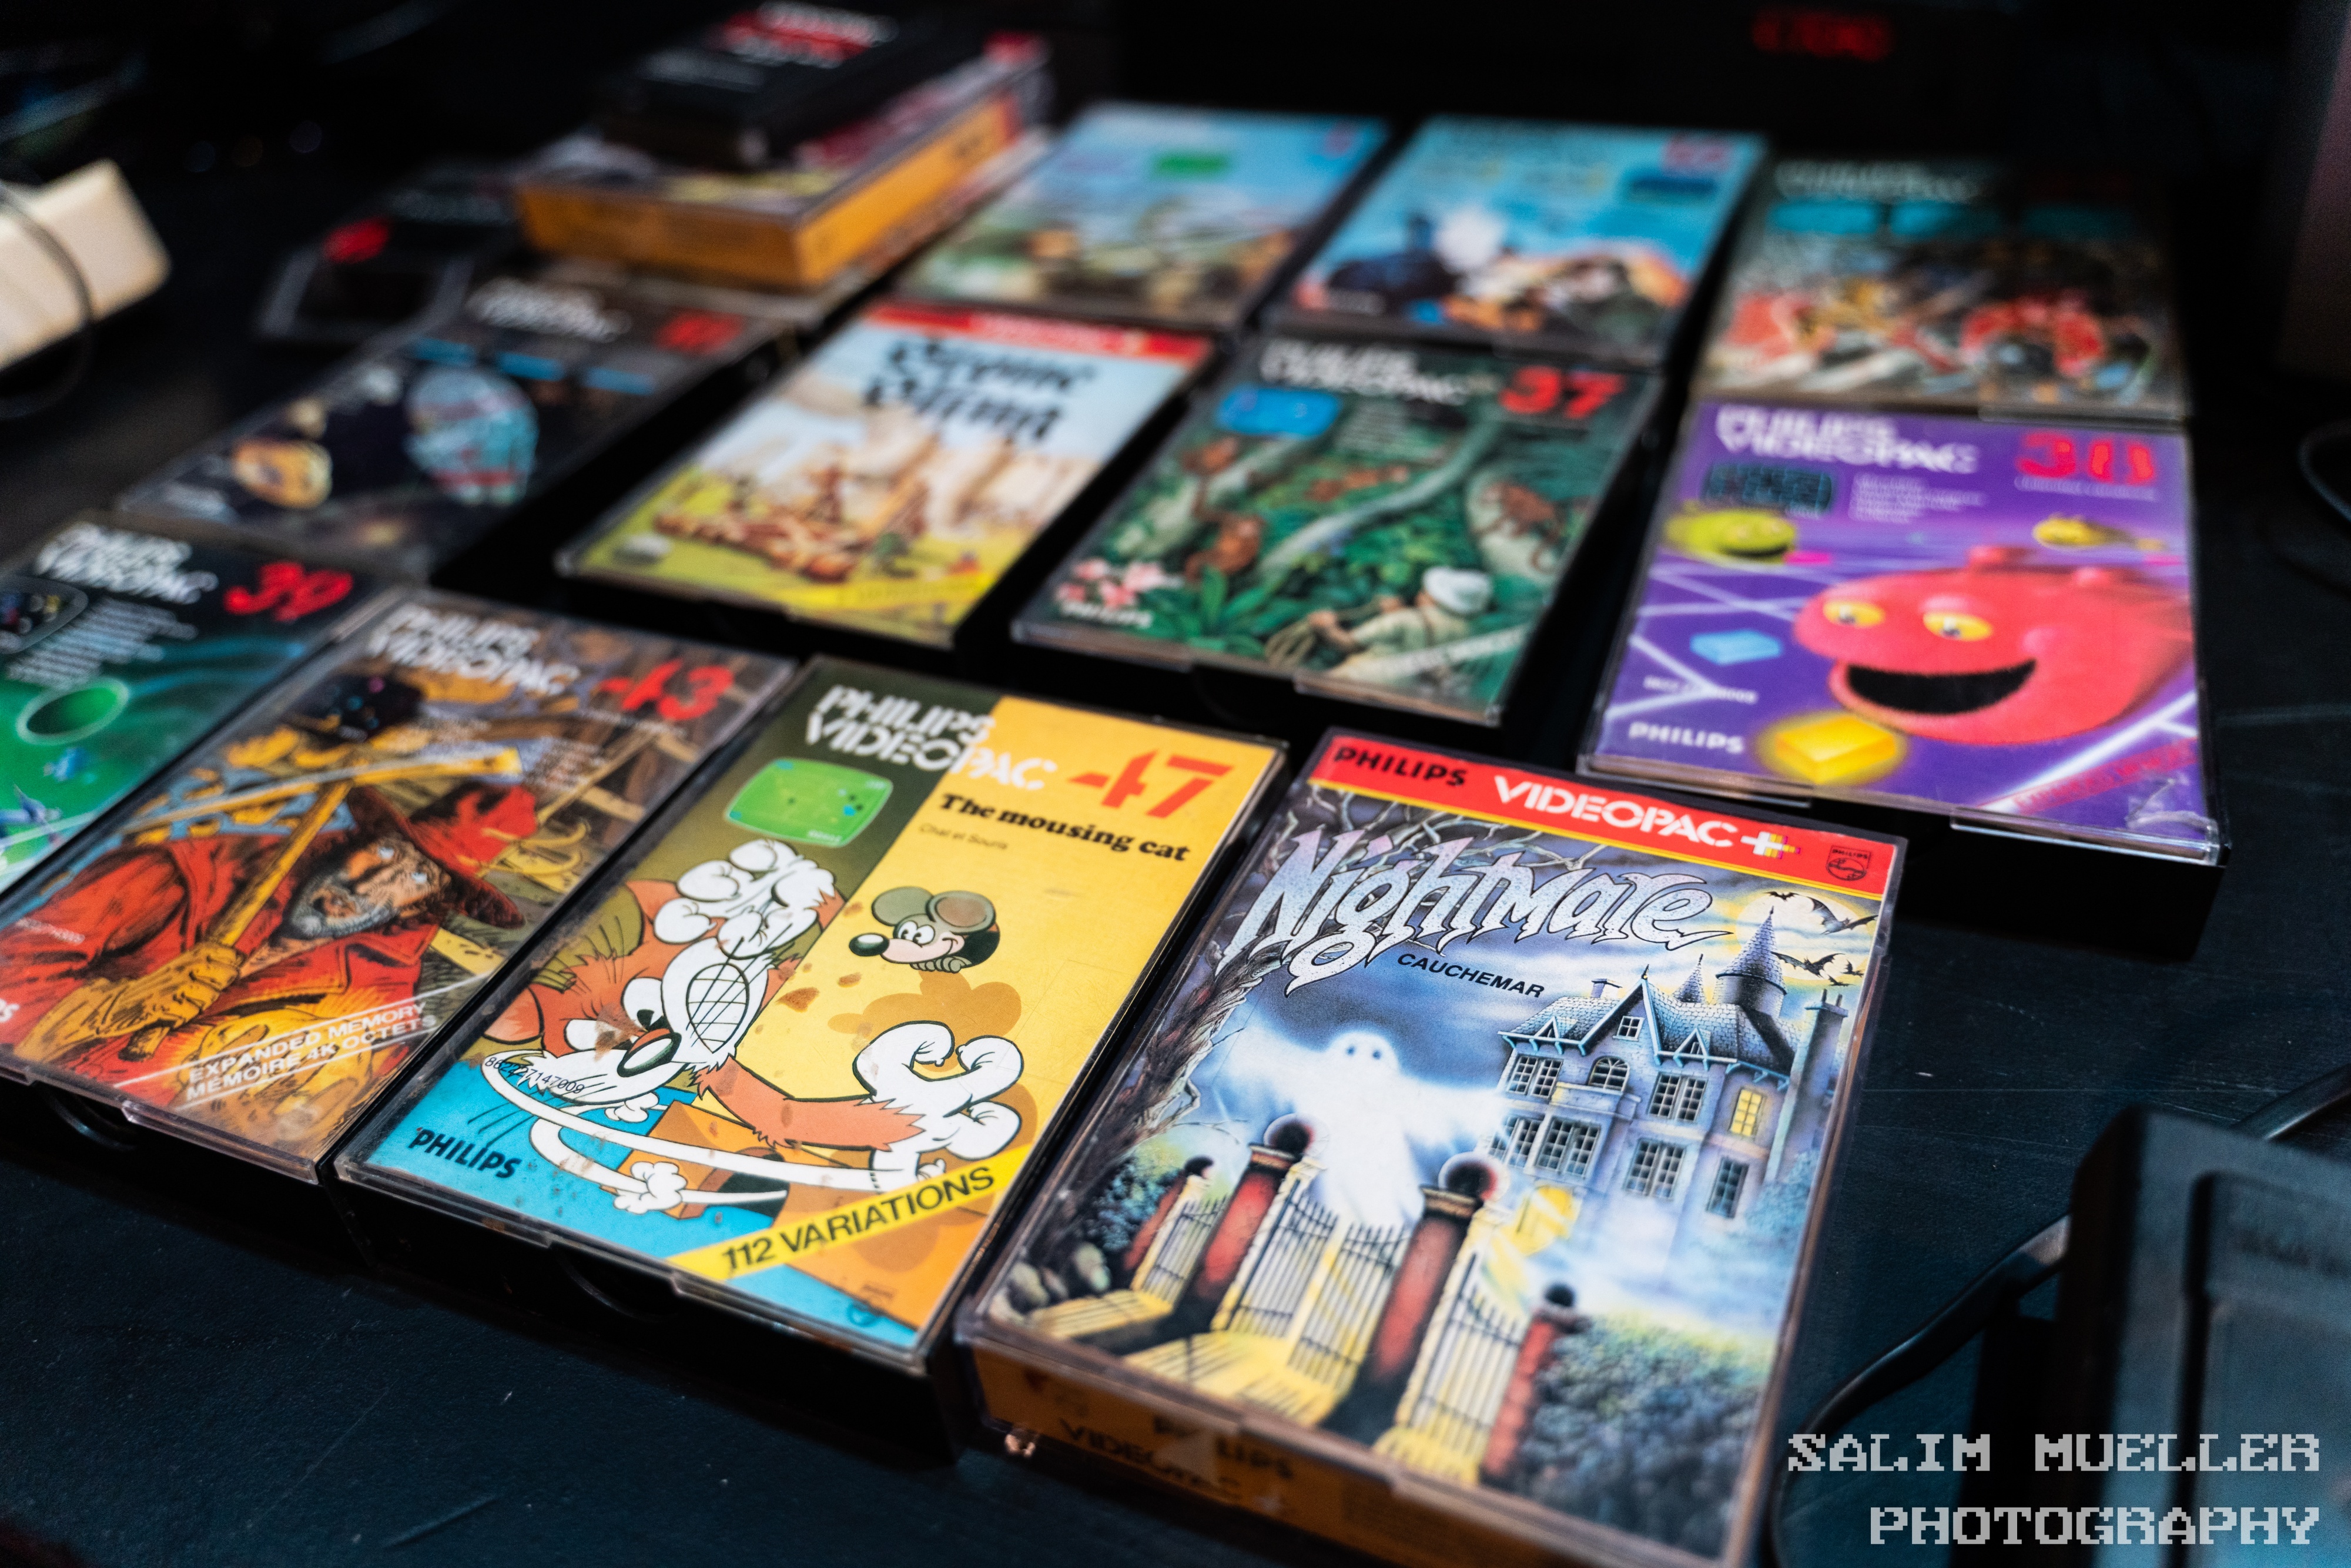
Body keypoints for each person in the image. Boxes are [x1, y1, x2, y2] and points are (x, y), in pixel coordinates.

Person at [0, 782, 535, 1134]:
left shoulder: (379, 996)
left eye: (416, 877)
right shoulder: (184, 874)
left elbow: (311, 1124)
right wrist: (113, 1007)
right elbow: (11, 974)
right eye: (386, 852)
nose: (370, 885)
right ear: (357, 841)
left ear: (424, 904)